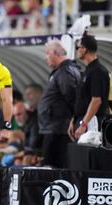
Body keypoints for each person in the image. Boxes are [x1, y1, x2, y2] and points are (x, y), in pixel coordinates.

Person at [38, 40, 81, 168]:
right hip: (55, 127)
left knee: (51, 167)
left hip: (58, 129)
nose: (45, 57)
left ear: (56, 53)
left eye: (47, 53)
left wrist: (73, 119)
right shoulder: (62, 71)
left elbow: (72, 98)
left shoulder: (65, 72)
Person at [68, 35, 110, 141]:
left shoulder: (97, 71)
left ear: (84, 49)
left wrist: (83, 124)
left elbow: (96, 100)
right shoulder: (89, 70)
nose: (77, 51)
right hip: (84, 120)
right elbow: (82, 99)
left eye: (78, 48)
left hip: (92, 122)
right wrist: (73, 120)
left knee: (90, 155)